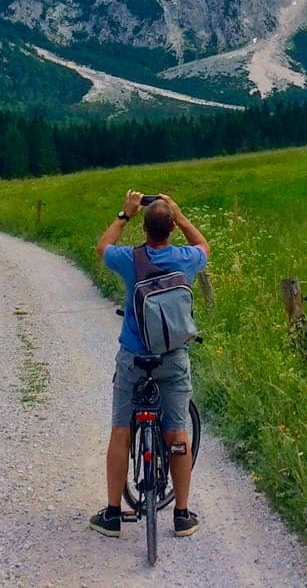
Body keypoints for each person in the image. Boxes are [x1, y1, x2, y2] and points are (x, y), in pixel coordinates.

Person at [89, 189, 209, 539]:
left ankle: (112, 514)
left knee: (120, 430)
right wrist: (181, 214)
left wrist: (124, 214)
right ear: (170, 228)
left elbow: (102, 248)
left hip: (134, 357)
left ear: (144, 229)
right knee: (176, 431)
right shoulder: (185, 259)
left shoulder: (130, 259)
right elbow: (204, 246)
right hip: (172, 358)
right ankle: (182, 514)